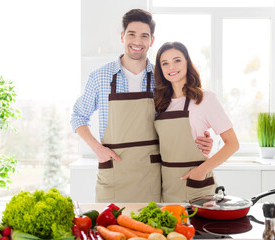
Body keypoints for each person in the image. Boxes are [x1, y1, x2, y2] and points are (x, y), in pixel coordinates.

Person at [70, 9, 213, 203]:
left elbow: (178, 120)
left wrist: (201, 141)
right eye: (132, 34)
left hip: (151, 176)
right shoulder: (100, 77)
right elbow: (78, 116)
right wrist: (97, 149)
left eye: (144, 36)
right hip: (114, 172)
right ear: (122, 36)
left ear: (151, 41)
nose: (137, 41)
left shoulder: (161, 79)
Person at [154, 42, 239, 203]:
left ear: (187, 62)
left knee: (198, 228)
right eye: (165, 63)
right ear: (161, 69)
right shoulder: (159, 103)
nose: (171, 67)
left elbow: (232, 144)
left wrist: (201, 171)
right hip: (167, 185)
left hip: (197, 185)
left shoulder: (204, 98)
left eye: (177, 60)